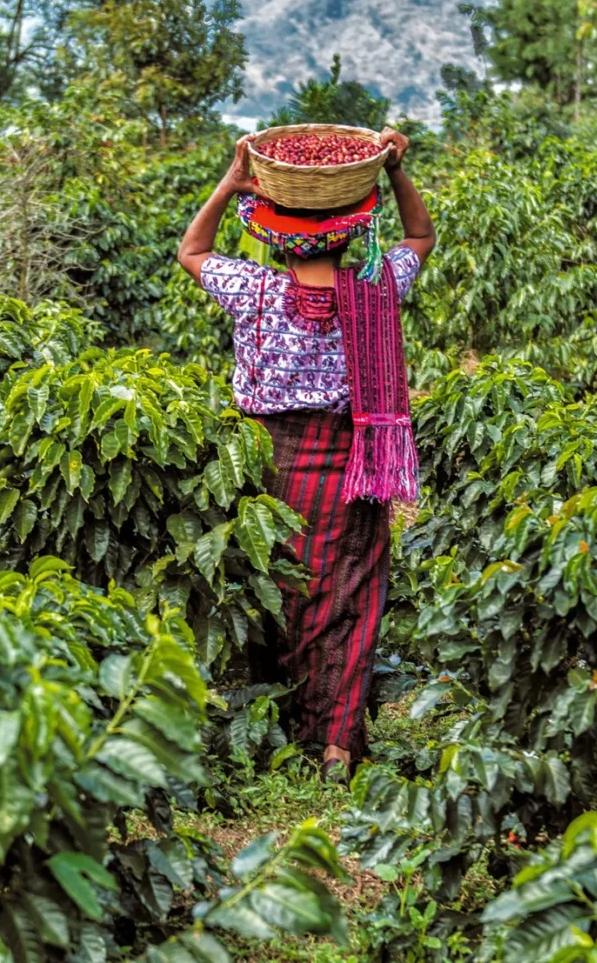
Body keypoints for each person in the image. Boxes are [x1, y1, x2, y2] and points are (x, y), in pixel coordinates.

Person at [176, 128, 436, 780]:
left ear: (276, 239)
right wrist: (394, 170)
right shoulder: (380, 287)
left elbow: (192, 249)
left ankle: (277, 727)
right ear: (351, 235)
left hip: (273, 463)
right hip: (355, 461)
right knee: (347, 594)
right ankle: (336, 742)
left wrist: (232, 181)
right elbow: (420, 237)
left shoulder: (253, 289)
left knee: (278, 590)